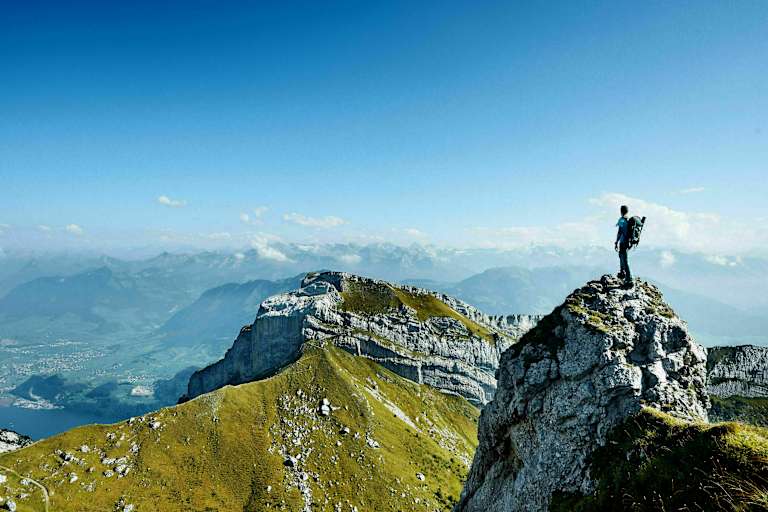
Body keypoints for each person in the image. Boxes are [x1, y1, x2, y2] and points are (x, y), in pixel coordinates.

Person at [615, 205, 632, 286]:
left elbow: (619, 232)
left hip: (623, 242)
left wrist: (616, 242)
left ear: (621, 211)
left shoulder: (622, 220)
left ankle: (628, 278)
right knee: (622, 257)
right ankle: (623, 274)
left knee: (624, 259)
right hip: (628, 242)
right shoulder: (629, 220)